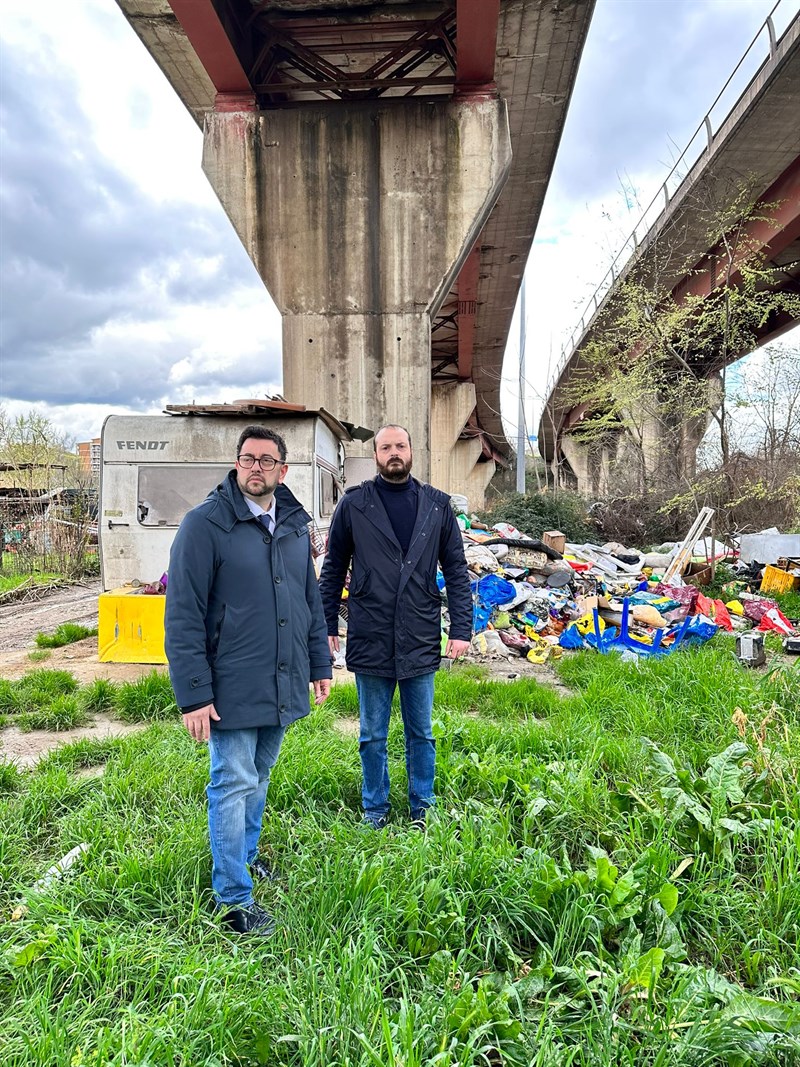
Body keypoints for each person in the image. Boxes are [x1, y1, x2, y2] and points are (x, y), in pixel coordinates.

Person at [165, 425, 332, 937]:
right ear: (237, 464)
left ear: (282, 470)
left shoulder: (292, 526)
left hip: (282, 679)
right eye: (246, 458)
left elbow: (309, 599)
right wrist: (194, 692)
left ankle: (246, 857)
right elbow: (183, 614)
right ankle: (233, 901)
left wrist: (319, 663)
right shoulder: (205, 525)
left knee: (258, 777)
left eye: (265, 460)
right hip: (230, 684)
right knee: (231, 782)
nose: (255, 468)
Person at [319, 424, 472, 829]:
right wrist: (326, 621)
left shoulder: (437, 506)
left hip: (420, 633)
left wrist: (461, 628)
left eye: (400, 445)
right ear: (375, 455)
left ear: (411, 451)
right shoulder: (354, 505)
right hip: (370, 632)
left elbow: (456, 570)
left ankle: (423, 806)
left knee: (420, 732)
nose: (393, 453)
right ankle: (375, 808)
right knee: (372, 734)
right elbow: (333, 566)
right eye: (385, 447)